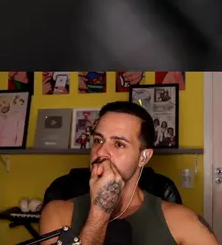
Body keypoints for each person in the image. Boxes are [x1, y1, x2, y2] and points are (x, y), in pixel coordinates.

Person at [39, 101, 217, 245]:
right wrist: (100, 211)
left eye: (118, 144)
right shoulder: (58, 213)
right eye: (98, 140)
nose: (101, 152)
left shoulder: (183, 221)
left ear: (143, 157)